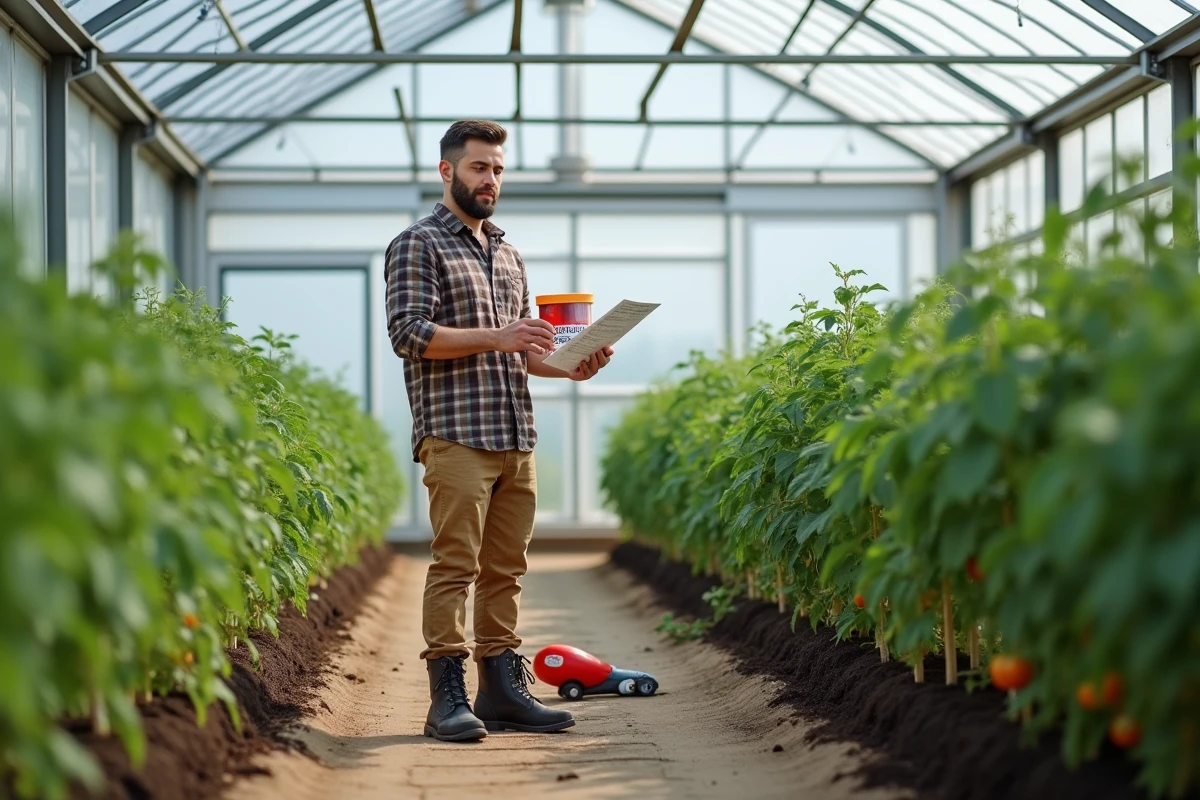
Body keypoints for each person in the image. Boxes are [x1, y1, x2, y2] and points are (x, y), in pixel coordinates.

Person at [385, 119, 614, 742]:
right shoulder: (418, 245)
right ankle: (445, 698)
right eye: (479, 167)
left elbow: (524, 350)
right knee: (455, 565)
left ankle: (502, 691)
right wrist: (500, 336)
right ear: (447, 171)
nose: (491, 179)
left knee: (506, 569)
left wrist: (571, 365)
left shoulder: (509, 253)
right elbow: (409, 334)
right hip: (456, 433)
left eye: (498, 169)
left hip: (515, 434)